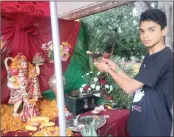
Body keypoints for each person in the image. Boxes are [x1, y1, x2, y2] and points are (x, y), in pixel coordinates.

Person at [94, 9, 173, 136]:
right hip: (140, 125)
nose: (145, 36)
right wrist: (115, 68)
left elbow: (129, 88)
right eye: (142, 31)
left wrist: (108, 70)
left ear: (164, 30)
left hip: (154, 129)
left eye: (151, 30)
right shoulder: (150, 56)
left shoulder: (164, 57)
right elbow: (135, 84)